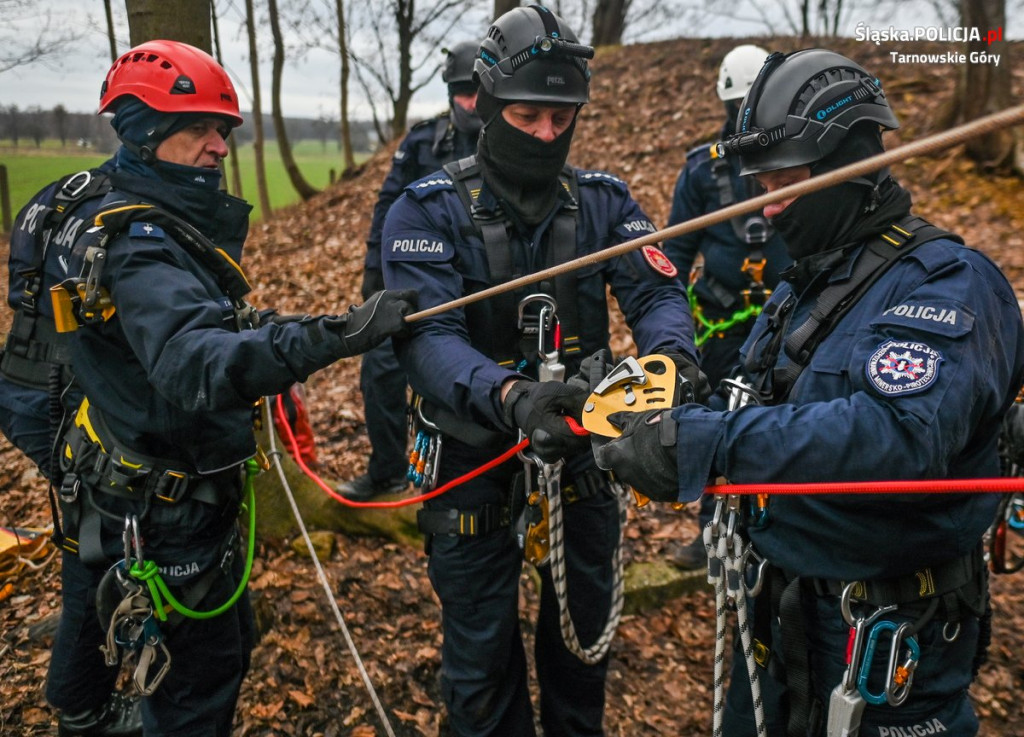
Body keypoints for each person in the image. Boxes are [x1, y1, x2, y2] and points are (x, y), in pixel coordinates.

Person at [595, 48, 1024, 736]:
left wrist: (707, 443)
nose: (767, 201)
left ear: (845, 163)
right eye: (761, 179)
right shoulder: (808, 286)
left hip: (885, 644)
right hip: (777, 618)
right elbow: (761, 405)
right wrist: (658, 412)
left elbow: (897, 436)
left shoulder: (948, 284)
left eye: (785, 180)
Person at [47, 39, 416, 737]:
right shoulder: (140, 243)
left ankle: (82, 714)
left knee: (214, 638)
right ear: (147, 132)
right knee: (198, 684)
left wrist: (316, 328)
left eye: (224, 130)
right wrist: (332, 338)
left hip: (125, 475)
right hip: (165, 505)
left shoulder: (129, 215)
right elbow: (196, 359)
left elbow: (216, 323)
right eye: (200, 129)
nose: (219, 146)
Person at [380, 6, 702, 735]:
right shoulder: (425, 211)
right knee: (480, 665)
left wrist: (672, 355)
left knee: (582, 653)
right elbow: (428, 337)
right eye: (528, 117)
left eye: (563, 119)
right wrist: (512, 395)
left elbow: (654, 288)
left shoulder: (603, 200)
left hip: (583, 445)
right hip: (472, 451)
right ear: (488, 108)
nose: (547, 136)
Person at [2, 163, 147, 736]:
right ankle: (81, 710)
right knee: (97, 545)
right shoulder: (118, 211)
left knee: (91, 535)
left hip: (26, 381)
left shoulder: (60, 190)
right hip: (59, 396)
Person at [662, 44, 792, 569]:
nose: (743, 119)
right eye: (736, 106)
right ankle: (710, 535)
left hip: (792, 318)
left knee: (789, 423)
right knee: (713, 424)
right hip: (719, 326)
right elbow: (673, 254)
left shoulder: (799, 162)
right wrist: (673, 327)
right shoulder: (701, 172)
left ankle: (778, 534)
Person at [339, 41, 483, 501]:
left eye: (477, 92)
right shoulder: (423, 141)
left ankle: (464, 477)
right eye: (462, 93)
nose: (471, 104)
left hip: (477, 289)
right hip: (412, 284)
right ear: (448, 93)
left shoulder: (509, 144)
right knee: (379, 370)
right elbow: (387, 204)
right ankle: (387, 471)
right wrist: (372, 270)